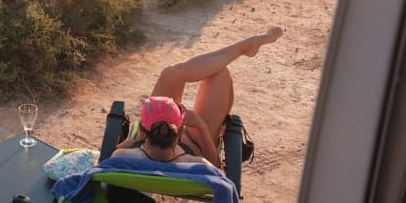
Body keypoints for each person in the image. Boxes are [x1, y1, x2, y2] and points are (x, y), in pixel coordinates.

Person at [112, 27, 283, 169]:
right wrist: (201, 127)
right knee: (220, 73)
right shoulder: (192, 163)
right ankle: (243, 48)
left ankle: (244, 47)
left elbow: (108, 158)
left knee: (172, 74)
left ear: (143, 129)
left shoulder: (123, 156)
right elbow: (217, 172)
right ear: (179, 132)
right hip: (196, 142)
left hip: (152, 140)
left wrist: (137, 138)